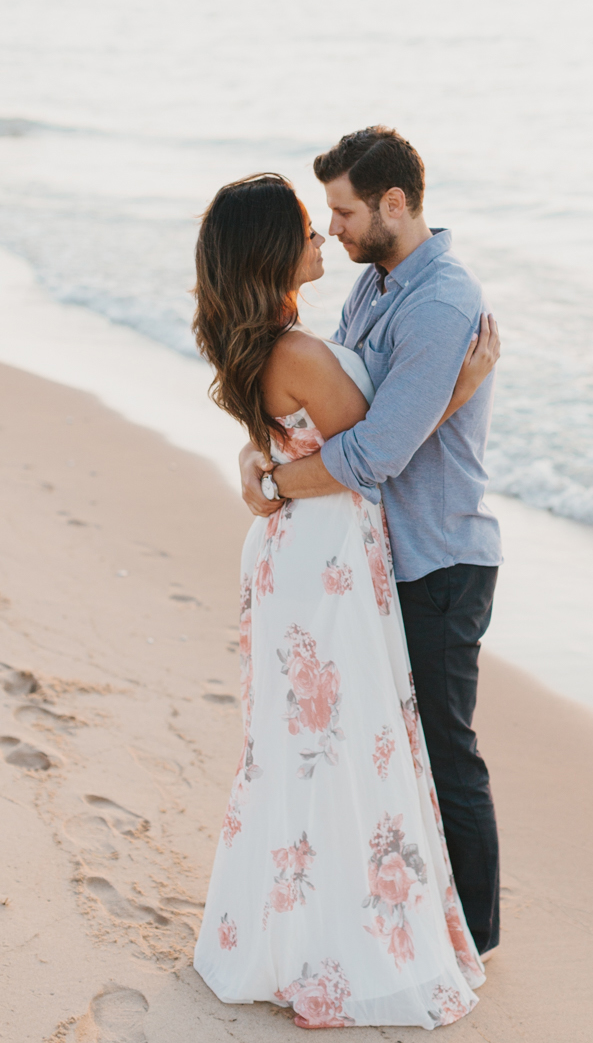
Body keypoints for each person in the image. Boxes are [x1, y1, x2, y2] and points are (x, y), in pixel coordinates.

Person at [190, 166, 499, 1027]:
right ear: (275, 251)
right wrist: (461, 388)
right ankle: (340, 942)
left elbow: (329, 439)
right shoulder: (295, 350)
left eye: (332, 216)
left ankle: (297, 923)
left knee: (302, 749)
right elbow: (380, 446)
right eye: (308, 225)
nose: (324, 235)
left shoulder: (272, 340)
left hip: (304, 555)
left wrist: (267, 470)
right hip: (323, 560)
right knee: (339, 748)